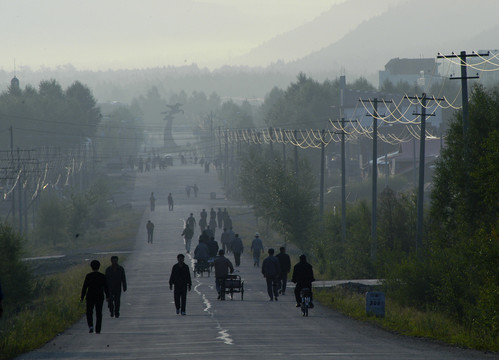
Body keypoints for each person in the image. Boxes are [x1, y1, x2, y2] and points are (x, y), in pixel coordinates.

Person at [81, 260, 109, 333]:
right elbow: (106, 287)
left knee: (89, 312)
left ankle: (91, 326)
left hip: (90, 296)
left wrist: (82, 297)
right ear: (99, 267)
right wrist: (107, 296)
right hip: (99, 296)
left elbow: (84, 287)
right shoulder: (102, 276)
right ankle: (98, 329)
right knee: (98, 313)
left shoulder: (88, 276)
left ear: (91, 267)